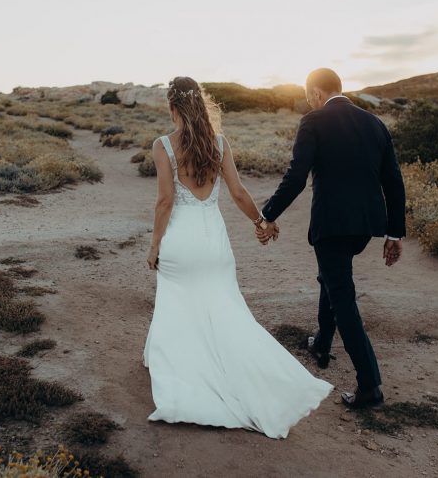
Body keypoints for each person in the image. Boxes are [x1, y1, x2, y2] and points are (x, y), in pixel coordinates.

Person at [142, 76, 333, 439]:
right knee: (224, 307)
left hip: (181, 242)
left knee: (177, 303)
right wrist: (261, 221)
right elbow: (239, 192)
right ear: (200, 104)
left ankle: (186, 369)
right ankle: (249, 373)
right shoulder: (219, 143)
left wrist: (154, 246)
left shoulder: (162, 146)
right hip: (213, 242)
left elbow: (165, 202)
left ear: (172, 107)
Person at [256, 68, 406, 409]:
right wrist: (394, 233)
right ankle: (322, 343)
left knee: (342, 295)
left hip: (331, 223)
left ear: (314, 94)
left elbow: (296, 176)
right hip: (365, 226)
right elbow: (393, 182)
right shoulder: (374, 124)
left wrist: (267, 215)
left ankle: (370, 385)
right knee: (333, 276)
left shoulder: (313, 121)